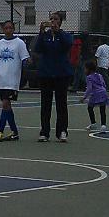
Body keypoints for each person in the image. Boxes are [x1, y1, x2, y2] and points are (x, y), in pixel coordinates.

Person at [34, 13, 73, 142]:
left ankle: (62, 131)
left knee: (61, 104)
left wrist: (58, 32)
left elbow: (68, 45)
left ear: (60, 22)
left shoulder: (65, 35)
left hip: (61, 74)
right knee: (45, 104)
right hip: (46, 74)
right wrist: (41, 32)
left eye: (56, 19)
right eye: (51, 19)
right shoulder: (44, 36)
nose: (53, 22)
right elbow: (37, 49)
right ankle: (44, 132)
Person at [0, 20, 30, 142]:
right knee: (7, 106)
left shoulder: (19, 43)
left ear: (13, 29)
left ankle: (0, 131)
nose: (8, 30)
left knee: (5, 104)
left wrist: (27, 62)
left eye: (10, 28)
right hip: (1, 79)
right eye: (6, 28)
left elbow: (25, 59)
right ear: (3, 29)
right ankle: (14, 132)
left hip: (12, 80)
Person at [82, 60, 109, 133]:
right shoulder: (99, 75)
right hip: (103, 92)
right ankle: (103, 125)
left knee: (90, 108)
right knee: (102, 110)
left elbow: (89, 88)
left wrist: (84, 97)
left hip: (95, 94)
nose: (84, 70)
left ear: (89, 69)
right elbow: (104, 84)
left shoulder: (89, 77)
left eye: (85, 68)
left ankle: (93, 123)